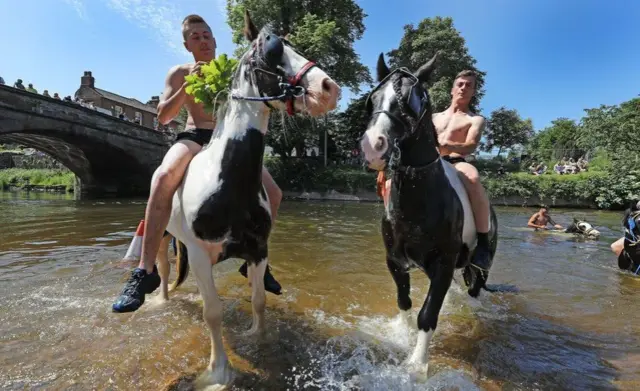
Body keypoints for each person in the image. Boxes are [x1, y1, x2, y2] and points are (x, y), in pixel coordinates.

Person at [112, 14, 283, 313]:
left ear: (215, 40)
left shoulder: (234, 70)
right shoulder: (179, 72)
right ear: (187, 44)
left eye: (206, 35)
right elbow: (163, 116)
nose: (203, 40)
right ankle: (144, 271)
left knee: (276, 193)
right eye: (195, 37)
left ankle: (256, 262)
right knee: (163, 177)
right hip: (194, 136)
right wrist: (187, 86)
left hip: (227, 140)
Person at [429, 70, 493, 271]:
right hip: (431, 163)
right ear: (452, 89)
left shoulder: (475, 119)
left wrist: (447, 144)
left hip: (456, 162)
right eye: (460, 84)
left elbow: (471, 145)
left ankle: (483, 242)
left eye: (469, 85)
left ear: (473, 91)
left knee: (473, 178)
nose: (464, 88)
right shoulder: (433, 117)